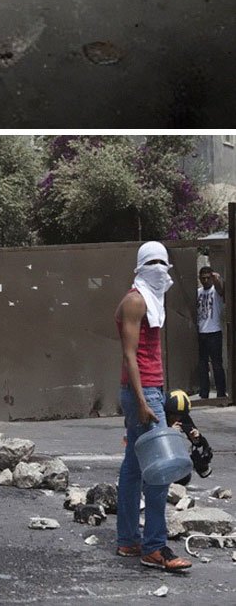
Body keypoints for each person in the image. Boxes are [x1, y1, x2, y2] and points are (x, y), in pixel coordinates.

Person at [115, 242, 191, 574]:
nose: (161, 268)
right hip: (142, 392)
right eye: (154, 262)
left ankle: (129, 539)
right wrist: (146, 401)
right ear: (142, 266)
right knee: (159, 470)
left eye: (164, 262)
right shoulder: (135, 300)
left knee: (134, 466)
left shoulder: (152, 300)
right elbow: (130, 355)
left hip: (150, 388)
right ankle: (155, 547)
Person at [164, 389, 213, 480]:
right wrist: (170, 432)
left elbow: (202, 446)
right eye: (173, 415)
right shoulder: (160, 415)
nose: (177, 419)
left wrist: (197, 439)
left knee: (185, 476)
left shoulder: (183, 416)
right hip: (157, 456)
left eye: (180, 416)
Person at [197, 264, 226, 400]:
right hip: (202, 332)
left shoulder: (216, 291)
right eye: (203, 278)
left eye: (208, 278)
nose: (205, 281)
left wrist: (216, 278)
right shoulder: (198, 292)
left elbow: (221, 289)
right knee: (202, 365)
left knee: (217, 364)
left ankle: (221, 393)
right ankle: (204, 393)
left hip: (214, 331)